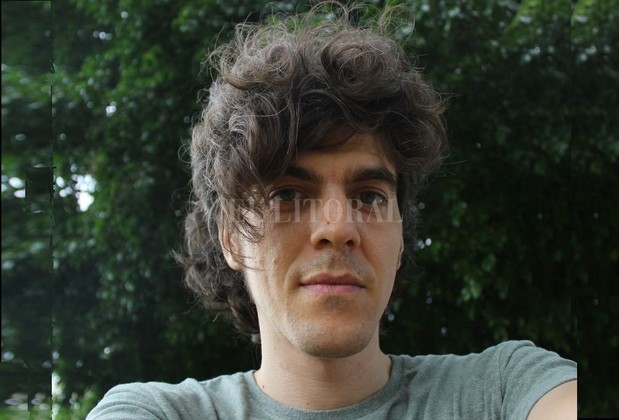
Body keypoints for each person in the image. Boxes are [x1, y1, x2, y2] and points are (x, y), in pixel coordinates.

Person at [87, 3, 577, 419]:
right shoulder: (154, 411)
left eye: (369, 196)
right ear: (231, 237)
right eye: (287, 194)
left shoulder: (506, 390)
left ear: (401, 237)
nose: (338, 227)